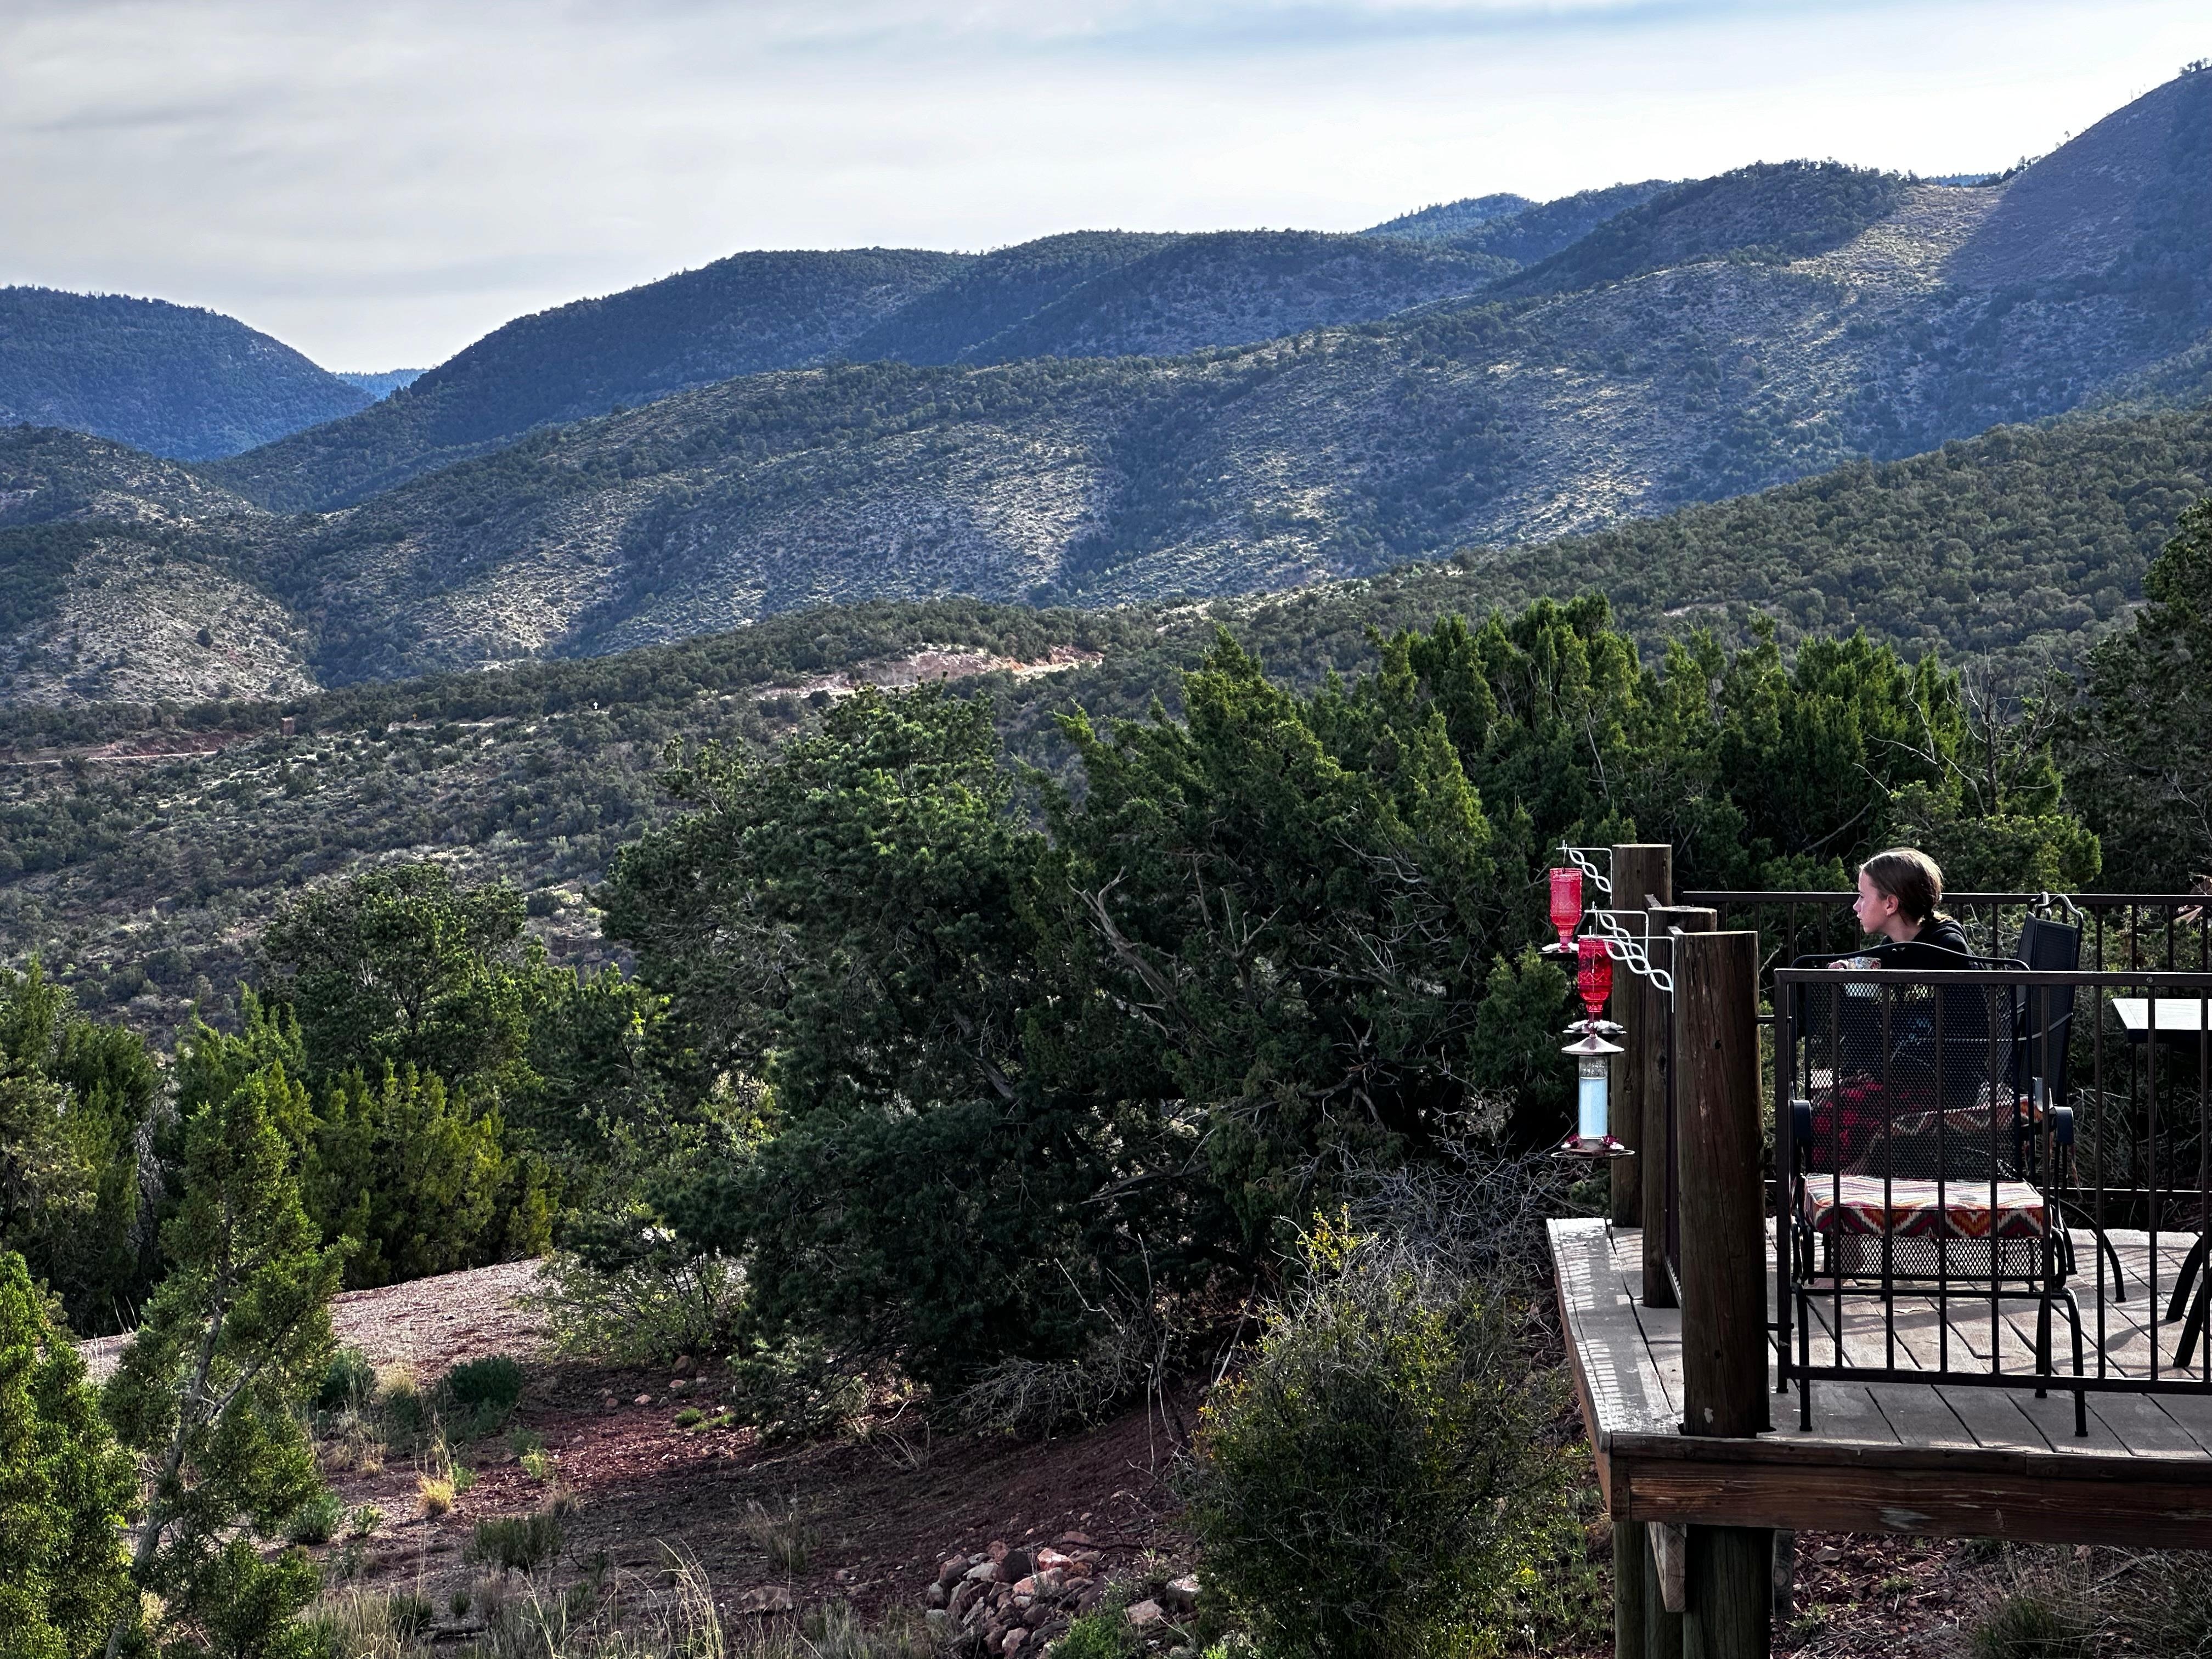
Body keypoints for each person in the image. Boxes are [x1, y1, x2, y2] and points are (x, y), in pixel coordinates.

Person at [1849, 848, 1972, 966]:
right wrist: (1847, 965)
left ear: (1890, 905)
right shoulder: (1892, 948)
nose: (1856, 906)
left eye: (1862, 896)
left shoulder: (1949, 950)